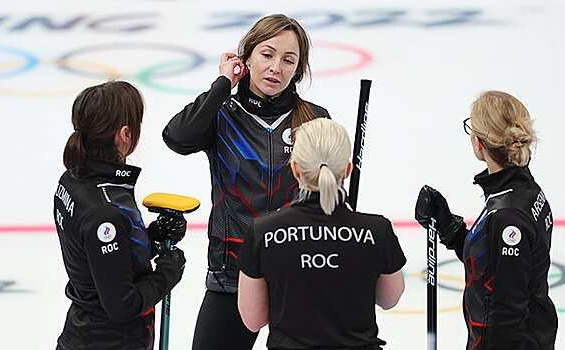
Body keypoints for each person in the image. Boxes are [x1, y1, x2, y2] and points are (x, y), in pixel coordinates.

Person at [162, 14, 331, 349]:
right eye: (267, 55)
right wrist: (222, 83)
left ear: (298, 70)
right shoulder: (221, 112)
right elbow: (177, 137)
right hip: (232, 278)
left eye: (288, 60)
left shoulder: (315, 118)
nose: (276, 68)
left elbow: (329, 198)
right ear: (247, 56)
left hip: (297, 275)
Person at [237, 118, 406, 349]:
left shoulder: (263, 231)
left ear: (295, 169)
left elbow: (253, 319)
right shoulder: (377, 230)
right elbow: (389, 299)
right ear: (347, 170)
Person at [415, 90, 557, 349]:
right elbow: (492, 265)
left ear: (479, 143)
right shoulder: (521, 189)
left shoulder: (507, 217)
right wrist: (451, 230)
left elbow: (508, 314)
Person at [54, 81, 187, 350]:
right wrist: (167, 273)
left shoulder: (75, 178)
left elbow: (102, 261)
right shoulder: (106, 212)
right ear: (125, 134)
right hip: (109, 341)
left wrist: (151, 237)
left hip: (85, 334)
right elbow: (123, 306)